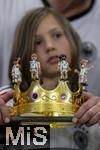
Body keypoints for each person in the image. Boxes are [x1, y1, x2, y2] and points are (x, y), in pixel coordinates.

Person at [0, 7, 100, 149]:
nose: (49, 46)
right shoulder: (6, 105)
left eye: (57, 35)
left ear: (72, 40)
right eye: (37, 42)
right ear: (25, 52)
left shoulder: (91, 109)